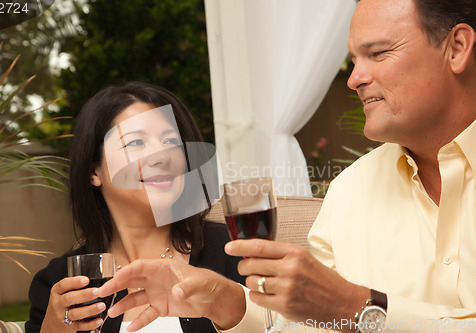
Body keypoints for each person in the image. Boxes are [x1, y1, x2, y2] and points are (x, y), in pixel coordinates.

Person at [95, 0, 476, 332]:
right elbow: (306, 323)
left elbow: (340, 309)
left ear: (457, 48)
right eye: (354, 59)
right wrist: (227, 303)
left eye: (377, 53)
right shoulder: (350, 190)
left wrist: (355, 307)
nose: (355, 78)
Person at [24, 82, 245, 333]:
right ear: (93, 171)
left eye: (171, 140)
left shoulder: (234, 250)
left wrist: (229, 303)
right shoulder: (61, 282)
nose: (163, 156)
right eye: (136, 142)